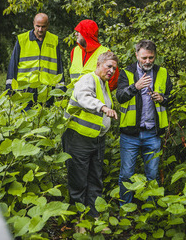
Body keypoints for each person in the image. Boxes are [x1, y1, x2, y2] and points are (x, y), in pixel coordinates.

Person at [116, 39, 172, 207]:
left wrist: (162, 98)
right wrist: (136, 86)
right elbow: (120, 97)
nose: (148, 61)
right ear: (136, 55)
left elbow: (170, 98)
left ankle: (151, 210)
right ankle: (125, 209)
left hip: (153, 134)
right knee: (126, 175)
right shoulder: (126, 73)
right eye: (144, 58)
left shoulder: (162, 72)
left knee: (153, 175)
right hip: (130, 134)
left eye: (151, 58)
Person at [62, 51, 118, 218]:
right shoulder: (88, 79)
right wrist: (103, 107)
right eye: (109, 66)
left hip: (96, 140)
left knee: (95, 180)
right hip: (79, 138)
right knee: (78, 181)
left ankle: (94, 217)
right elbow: (84, 97)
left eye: (114, 68)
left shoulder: (103, 83)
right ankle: (78, 221)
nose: (112, 71)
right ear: (98, 65)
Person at [6, 13, 65, 107]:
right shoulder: (22, 39)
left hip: (47, 89)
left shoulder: (54, 40)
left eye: (43, 26)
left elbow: (59, 67)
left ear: (48, 25)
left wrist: (61, 89)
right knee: (25, 117)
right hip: (25, 88)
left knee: (44, 119)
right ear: (33, 23)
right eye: (38, 26)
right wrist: (9, 87)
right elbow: (13, 65)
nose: (40, 29)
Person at [70, 19, 119, 90]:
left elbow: (114, 81)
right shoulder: (75, 51)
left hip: (95, 99)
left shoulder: (105, 53)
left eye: (78, 32)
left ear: (85, 34)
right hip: (76, 98)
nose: (76, 34)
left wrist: (101, 93)